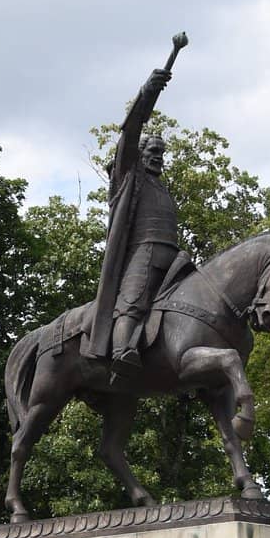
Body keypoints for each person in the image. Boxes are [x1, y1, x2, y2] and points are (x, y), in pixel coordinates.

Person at [87, 67, 180, 373]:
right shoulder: (129, 175)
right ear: (139, 154)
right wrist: (148, 93)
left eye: (161, 153)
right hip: (144, 250)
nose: (158, 157)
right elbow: (130, 132)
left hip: (173, 255)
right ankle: (121, 350)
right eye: (153, 151)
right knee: (133, 301)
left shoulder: (161, 186)